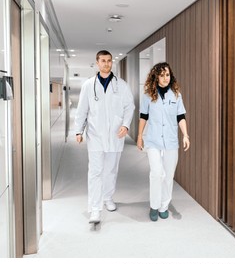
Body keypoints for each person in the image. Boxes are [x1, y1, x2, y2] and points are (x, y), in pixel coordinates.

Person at [74, 50, 135, 224]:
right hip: (95, 135)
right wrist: (78, 131)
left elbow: (129, 107)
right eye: (103, 60)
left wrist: (125, 125)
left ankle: (108, 198)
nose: (106, 63)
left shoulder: (121, 85)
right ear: (97, 62)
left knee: (111, 170)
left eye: (109, 61)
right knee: (95, 172)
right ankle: (95, 208)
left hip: (116, 135)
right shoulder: (88, 85)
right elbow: (82, 109)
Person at [137, 62, 190, 222]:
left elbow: (180, 117)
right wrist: (139, 136)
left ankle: (164, 206)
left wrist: (185, 135)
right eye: (162, 75)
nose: (165, 78)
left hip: (171, 141)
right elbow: (143, 116)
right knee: (156, 173)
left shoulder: (176, 95)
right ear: (156, 77)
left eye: (167, 75)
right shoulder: (147, 95)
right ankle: (154, 206)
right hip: (153, 140)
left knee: (168, 175)